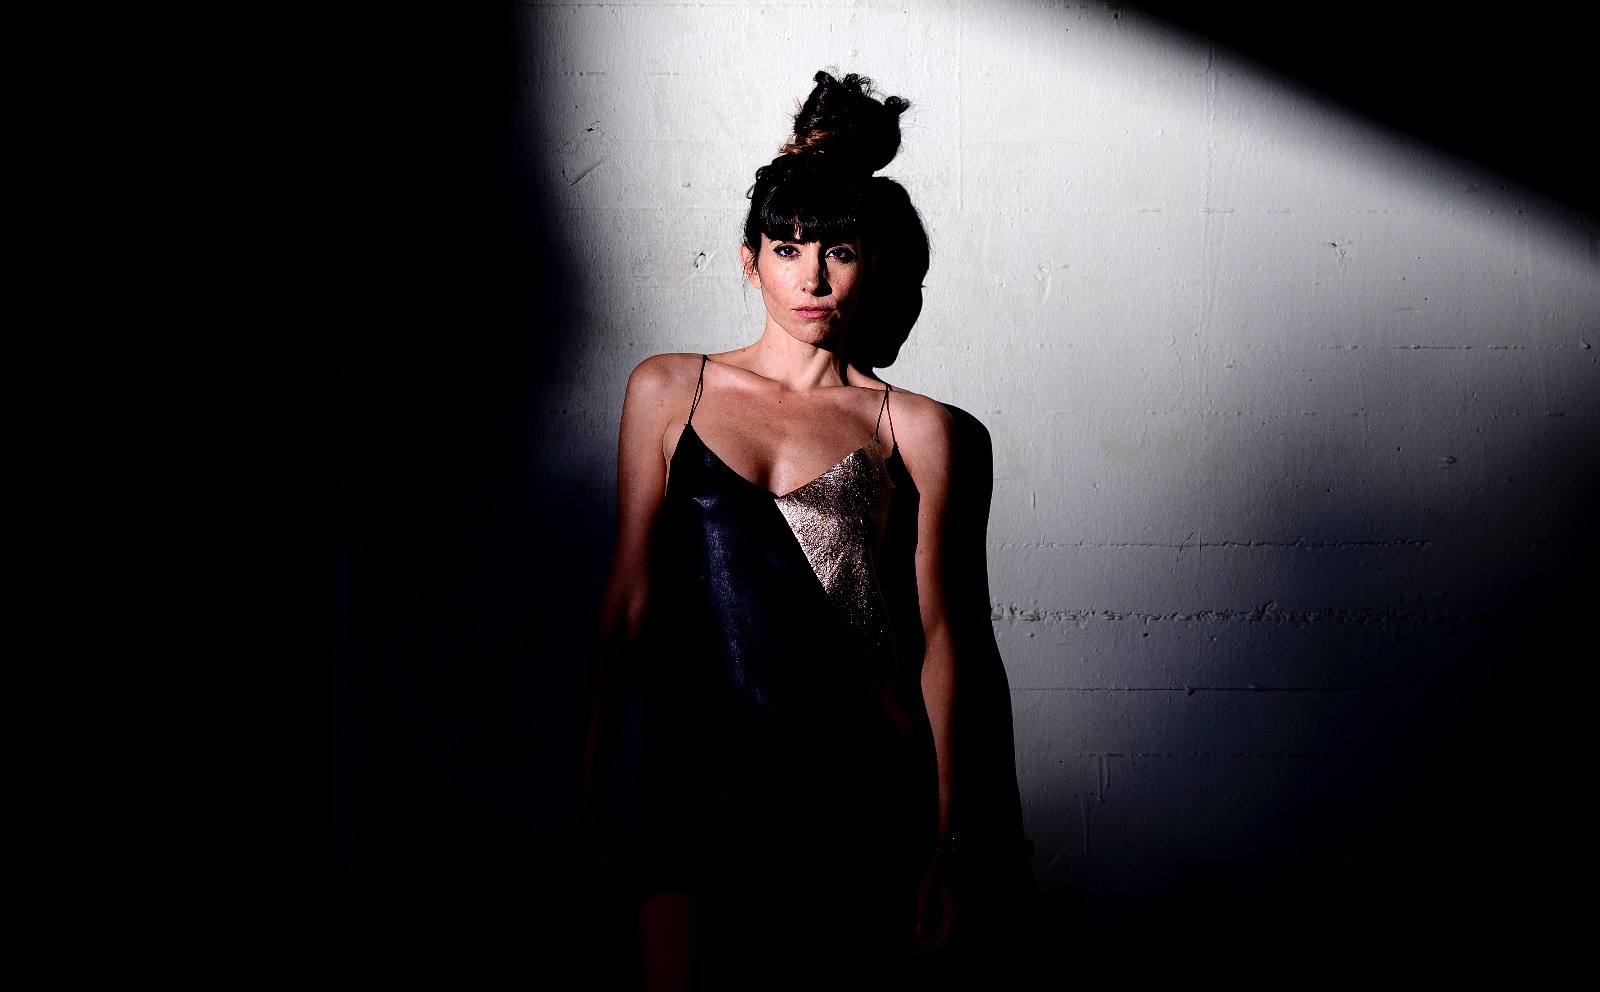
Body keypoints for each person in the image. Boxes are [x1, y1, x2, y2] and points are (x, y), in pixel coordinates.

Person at [582, 71, 962, 990]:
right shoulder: (669, 388)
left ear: (871, 264)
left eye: (839, 251)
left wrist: (945, 840)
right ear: (749, 260)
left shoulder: (914, 426)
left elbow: (943, 639)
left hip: (852, 784)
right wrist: (591, 781)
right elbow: (629, 597)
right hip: (694, 782)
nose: (813, 278)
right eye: (788, 249)